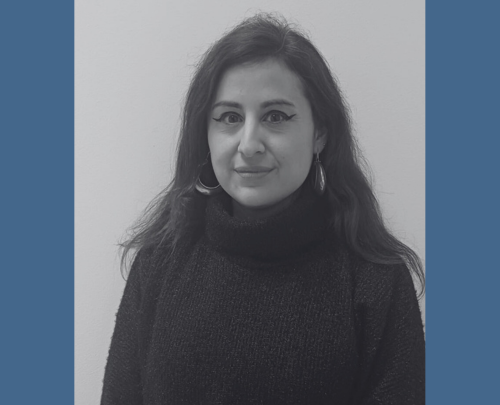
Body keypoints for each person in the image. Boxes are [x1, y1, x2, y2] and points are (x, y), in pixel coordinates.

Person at [101, 13, 425, 405]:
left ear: (320, 132)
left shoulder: (375, 280)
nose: (249, 144)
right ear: (205, 134)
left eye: (275, 117)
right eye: (230, 118)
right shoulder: (159, 264)